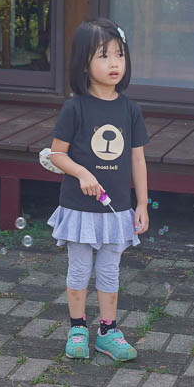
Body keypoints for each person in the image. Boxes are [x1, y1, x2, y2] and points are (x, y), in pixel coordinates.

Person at [47, 18, 150, 362]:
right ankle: (77, 327)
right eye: (104, 56)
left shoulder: (130, 109)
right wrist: (82, 173)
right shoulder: (74, 108)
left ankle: (108, 331)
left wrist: (142, 204)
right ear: (84, 64)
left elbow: (138, 160)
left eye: (119, 54)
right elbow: (56, 154)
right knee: (78, 269)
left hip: (117, 208)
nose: (114, 63)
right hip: (79, 207)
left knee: (110, 270)